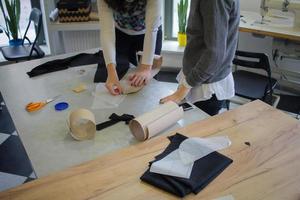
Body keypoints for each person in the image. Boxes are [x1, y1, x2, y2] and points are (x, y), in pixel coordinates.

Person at [160, 0, 240, 116]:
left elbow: (214, 54)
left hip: (205, 86)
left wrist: (182, 90)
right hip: (201, 79)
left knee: (197, 131)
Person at [98, 0, 162, 95]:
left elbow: (151, 29)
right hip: (121, 33)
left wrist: (146, 68)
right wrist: (111, 72)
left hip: (149, 32)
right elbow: (106, 31)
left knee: (146, 81)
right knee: (124, 77)